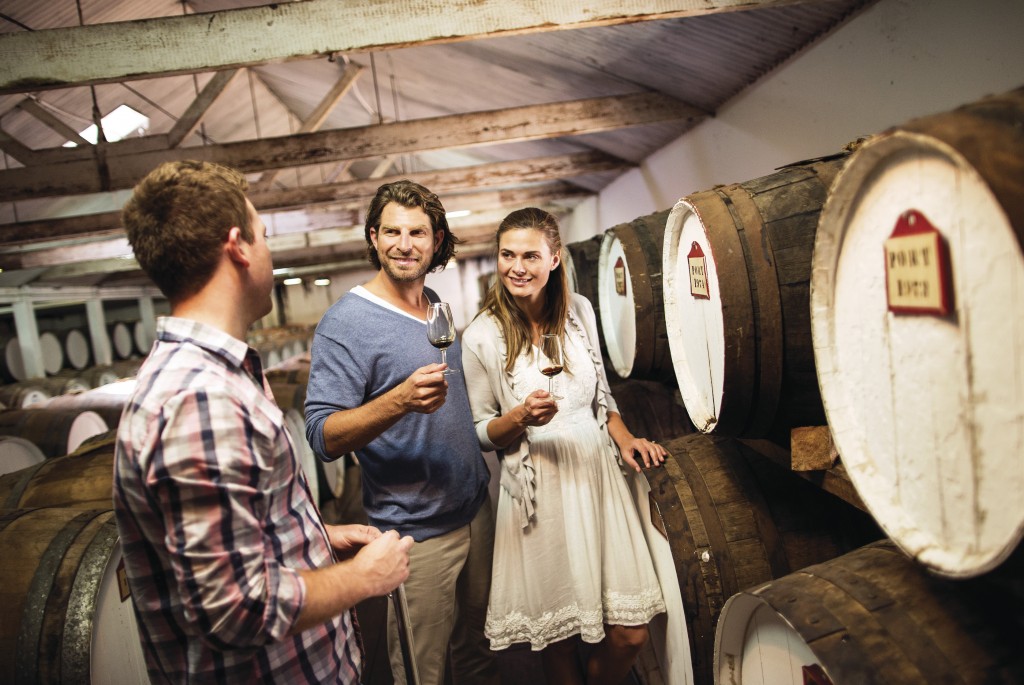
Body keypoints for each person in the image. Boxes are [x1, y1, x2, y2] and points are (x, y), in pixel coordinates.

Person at [113, 160, 414, 684]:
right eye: (264, 235)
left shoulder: (214, 377)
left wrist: (315, 539)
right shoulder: (200, 399)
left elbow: (242, 543)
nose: (270, 251)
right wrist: (362, 578)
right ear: (239, 246)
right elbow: (233, 608)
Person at [304, 179, 500, 685]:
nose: (404, 244)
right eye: (392, 231)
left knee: (480, 647)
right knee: (422, 669)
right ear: (373, 237)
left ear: (436, 241)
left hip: (476, 506)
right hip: (418, 529)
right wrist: (398, 401)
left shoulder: (434, 303)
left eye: (417, 232)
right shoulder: (344, 323)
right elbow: (321, 436)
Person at [462, 207, 668, 685]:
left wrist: (625, 436)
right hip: (539, 491)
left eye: (530, 255)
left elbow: (601, 395)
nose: (517, 266)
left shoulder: (580, 310)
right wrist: (518, 418)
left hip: (596, 478)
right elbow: (479, 431)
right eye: (507, 254)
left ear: (554, 259)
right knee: (559, 640)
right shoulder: (481, 336)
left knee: (629, 634)